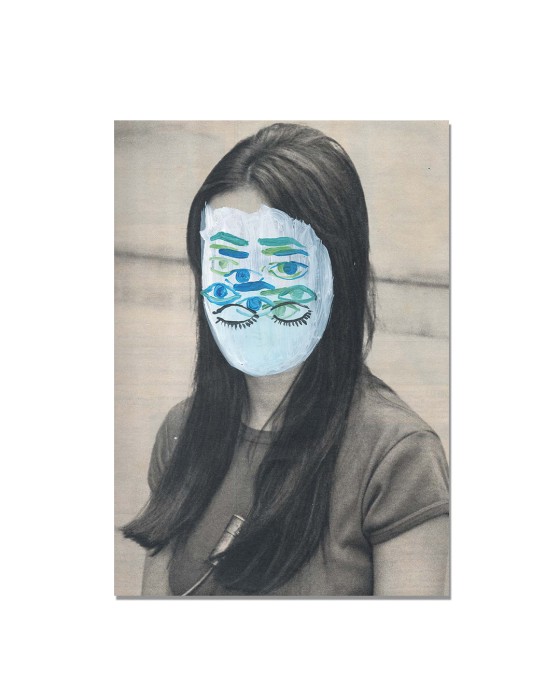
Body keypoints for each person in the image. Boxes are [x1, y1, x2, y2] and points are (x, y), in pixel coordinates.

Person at [122, 123, 449, 597]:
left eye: (285, 265)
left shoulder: (398, 456)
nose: (251, 292)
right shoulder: (183, 432)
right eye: (227, 261)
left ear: (340, 274)